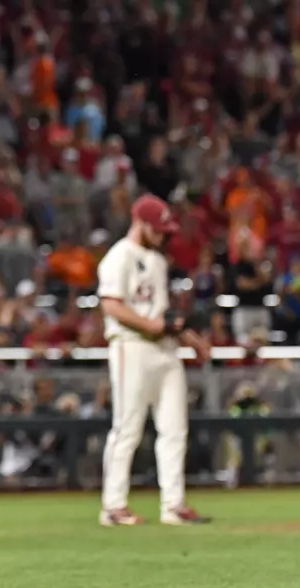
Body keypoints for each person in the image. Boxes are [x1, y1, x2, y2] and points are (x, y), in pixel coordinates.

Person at [96, 194, 213, 527]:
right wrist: (152, 326)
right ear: (142, 223)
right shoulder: (118, 256)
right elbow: (111, 305)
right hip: (131, 346)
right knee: (127, 427)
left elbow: (164, 315)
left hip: (164, 349)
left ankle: (173, 505)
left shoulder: (157, 262)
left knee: (175, 428)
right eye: (159, 229)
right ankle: (113, 506)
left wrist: (191, 339)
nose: (164, 236)